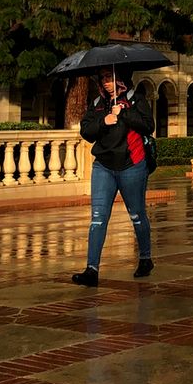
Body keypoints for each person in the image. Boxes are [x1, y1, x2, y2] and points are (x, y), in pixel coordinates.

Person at [72, 67, 155, 287]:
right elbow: (86, 130)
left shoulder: (136, 100)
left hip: (132, 165)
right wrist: (104, 121)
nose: (106, 82)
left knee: (137, 215)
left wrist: (124, 114)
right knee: (98, 218)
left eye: (110, 77)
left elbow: (148, 126)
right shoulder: (98, 103)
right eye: (103, 79)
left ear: (121, 79)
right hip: (103, 167)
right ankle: (92, 269)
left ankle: (145, 258)